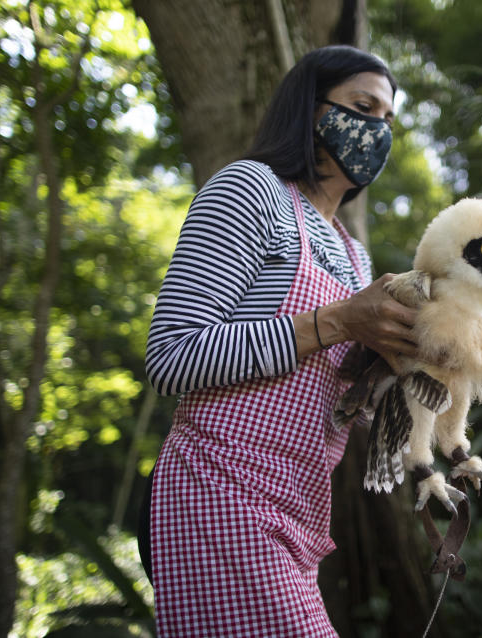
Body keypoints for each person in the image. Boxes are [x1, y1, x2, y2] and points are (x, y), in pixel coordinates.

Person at [137, 45, 417, 636]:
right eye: (362, 107)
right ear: (309, 109)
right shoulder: (250, 188)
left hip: (300, 509)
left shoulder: (351, 250)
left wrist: (403, 374)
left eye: (388, 120)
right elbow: (169, 356)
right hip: (218, 491)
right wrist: (340, 322)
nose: (377, 130)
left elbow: (332, 403)